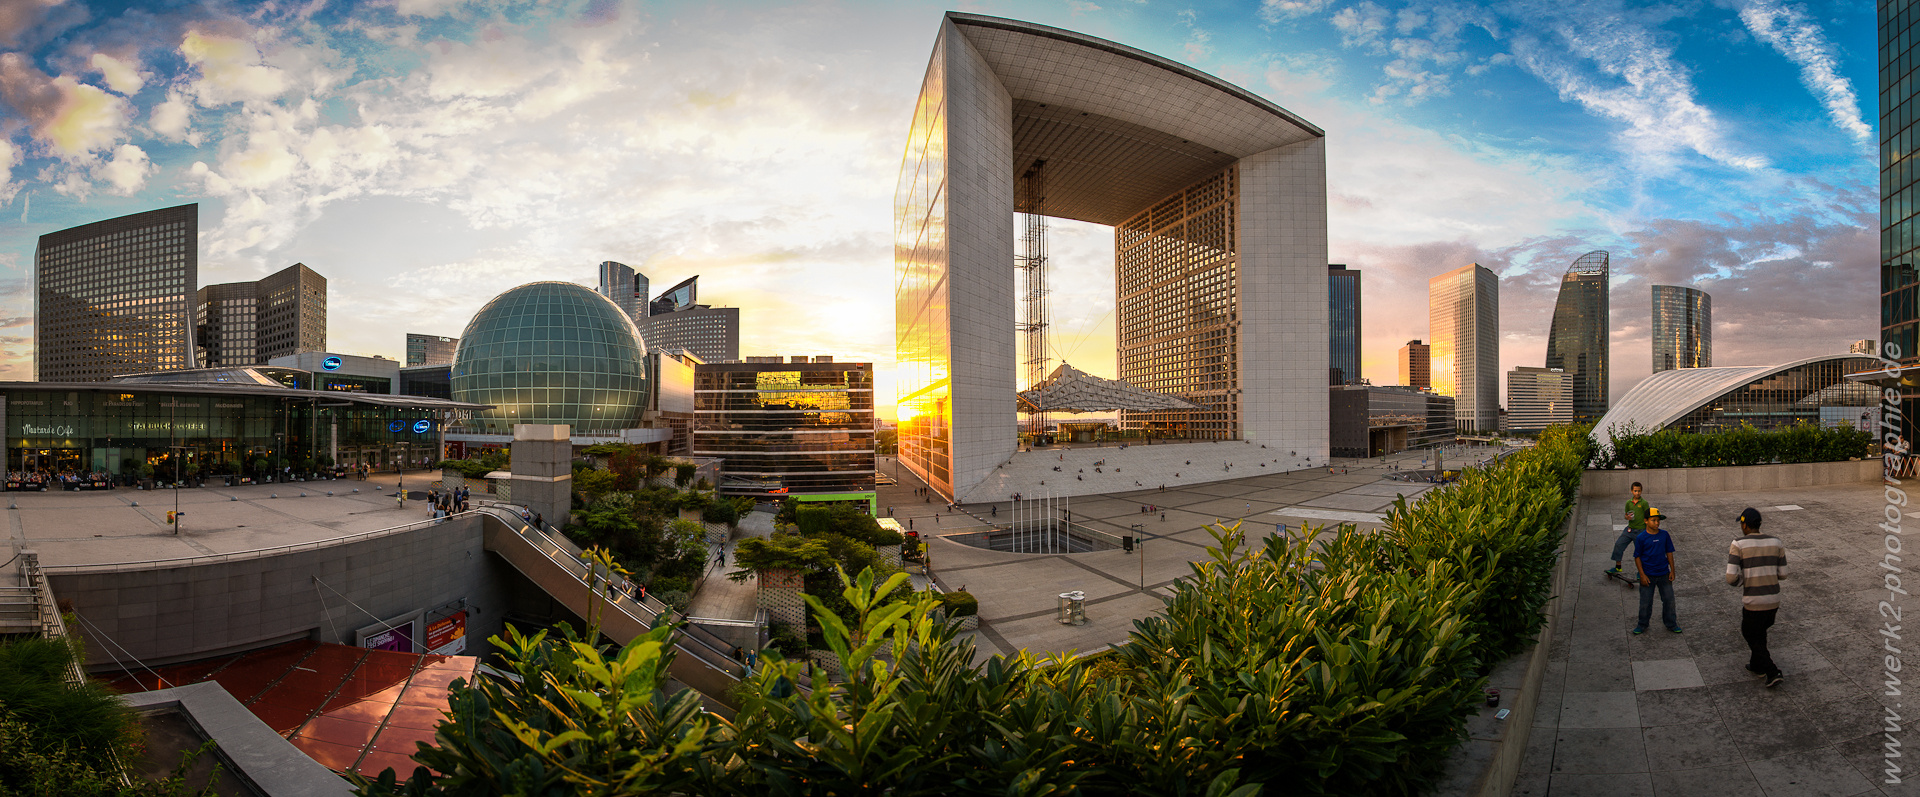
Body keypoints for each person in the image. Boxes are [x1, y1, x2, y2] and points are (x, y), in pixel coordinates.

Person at [1726, 507, 1787, 687]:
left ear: (1745, 525)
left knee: (1749, 633)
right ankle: (1756, 665)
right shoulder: (1776, 542)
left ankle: (1772, 670)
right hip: (1773, 600)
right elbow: (1783, 574)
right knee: (1760, 633)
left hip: (1754, 601)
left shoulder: (1738, 544)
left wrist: (1745, 581)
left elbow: (1731, 577)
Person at [1632, 508, 1680, 634]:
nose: (1657, 523)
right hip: (1648, 575)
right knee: (1645, 602)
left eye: (1658, 521)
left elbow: (1669, 553)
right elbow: (1637, 557)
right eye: (1653, 520)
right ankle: (1642, 624)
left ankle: (1671, 623)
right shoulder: (1641, 538)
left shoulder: (1664, 535)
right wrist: (1642, 575)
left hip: (1663, 573)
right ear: (1646, 521)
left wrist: (1672, 571)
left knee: (1669, 600)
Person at [1607, 482, 1651, 577]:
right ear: (1631, 491)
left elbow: (1648, 516)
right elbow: (1626, 515)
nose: (1637, 493)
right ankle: (1618, 566)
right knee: (1619, 544)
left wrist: (1648, 531)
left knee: (1640, 552)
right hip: (1630, 529)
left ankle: (1641, 571)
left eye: (1639, 491)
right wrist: (1627, 517)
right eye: (1635, 491)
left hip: (1641, 531)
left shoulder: (1644, 503)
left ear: (1641, 491)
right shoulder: (1628, 503)